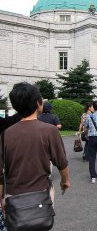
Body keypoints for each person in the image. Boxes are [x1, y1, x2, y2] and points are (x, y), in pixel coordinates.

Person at [0, 82, 70, 210]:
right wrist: (65, 181)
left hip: (13, 195)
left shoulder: (6, 133)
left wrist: (2, 197)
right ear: (38, 103)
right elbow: (61, 162)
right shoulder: (50, 131)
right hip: (40, 194)